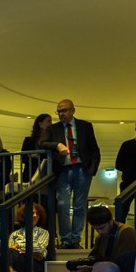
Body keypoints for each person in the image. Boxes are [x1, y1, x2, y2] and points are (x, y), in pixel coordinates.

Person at [47, 99, 102, 248]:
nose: (61, 114)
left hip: (82, 169)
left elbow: (94, 148)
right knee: (63, 205)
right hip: (63, 170)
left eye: (64, 110)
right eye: (59, 111)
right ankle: (65, 239)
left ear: (73, 110)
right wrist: (57, 145)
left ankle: (75, 239)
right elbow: (42, 143)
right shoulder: (53, 128)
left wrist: (92, 169)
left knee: (80, 205)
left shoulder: (85, 126)